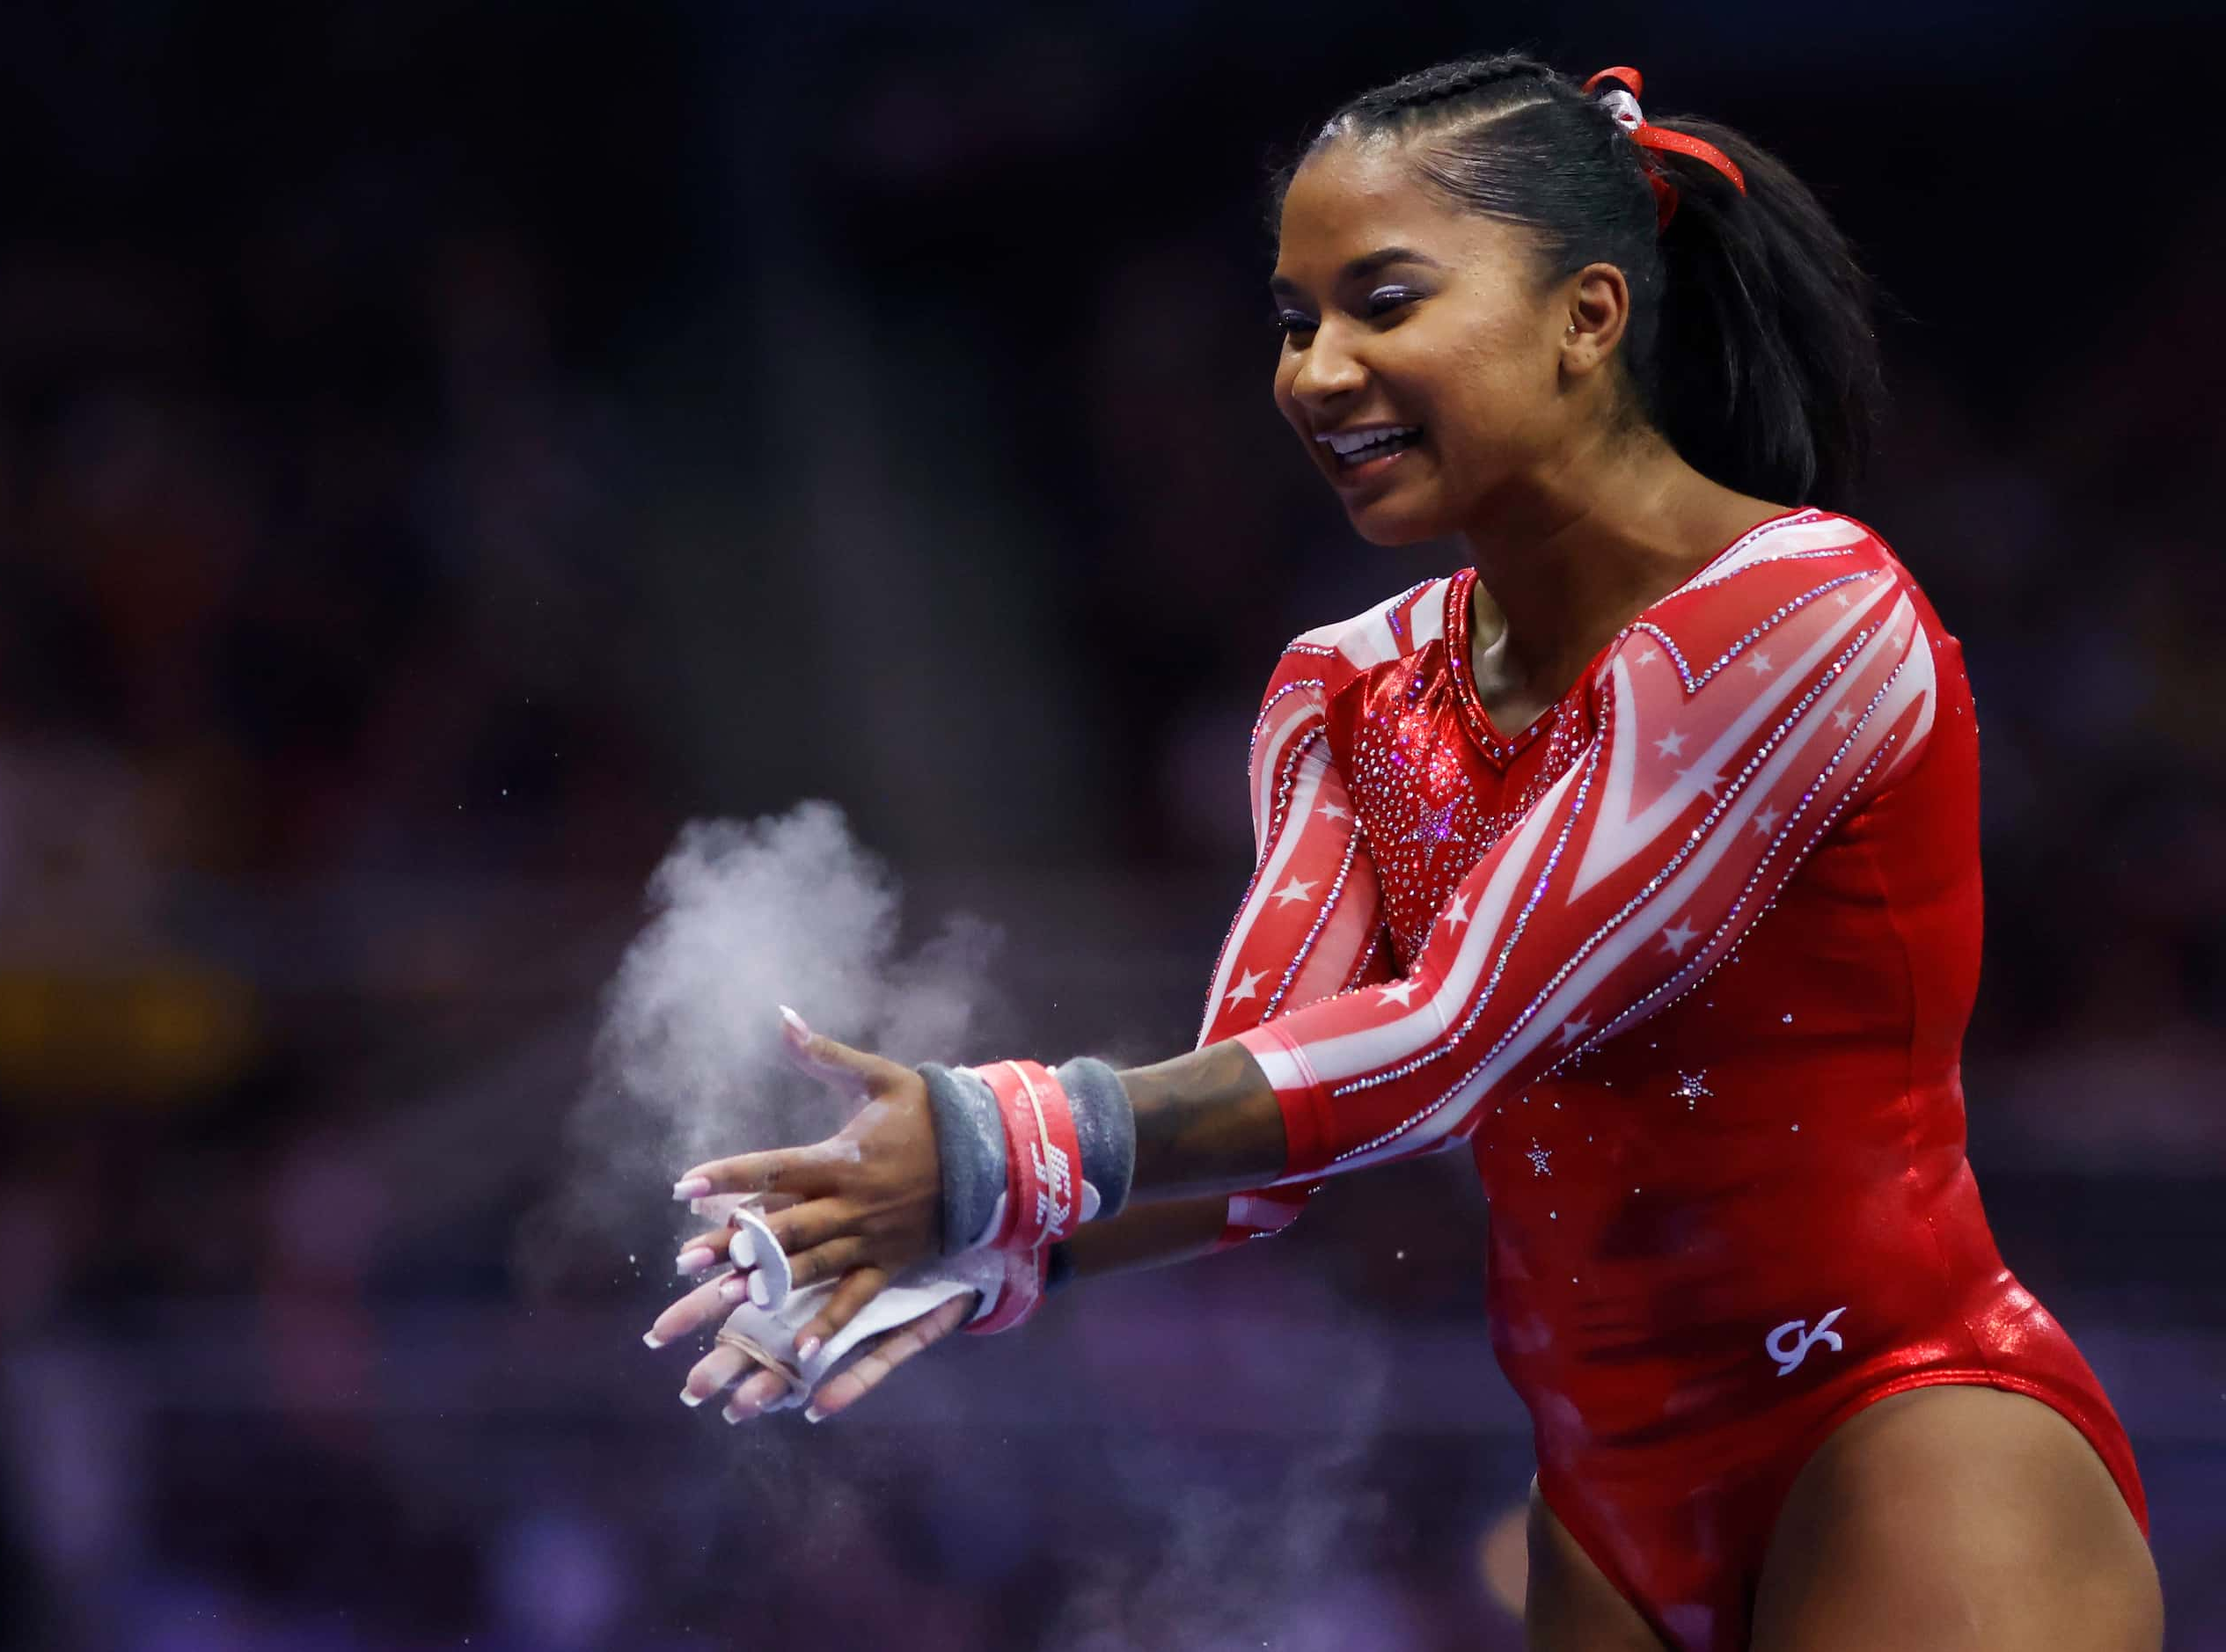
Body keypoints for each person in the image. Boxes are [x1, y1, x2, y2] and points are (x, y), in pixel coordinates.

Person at [641, 55, 2163, 1651]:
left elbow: (1457, 1029)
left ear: (1589, 316)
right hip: (1604, 1502)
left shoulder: (1803, 612)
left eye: (1383, 302)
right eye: (1297, 321)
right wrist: (993, 1242)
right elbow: (1272, 1133)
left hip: (1901, 1430)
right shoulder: (1348, 689)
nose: (1317, 372)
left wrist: (991, 1137)